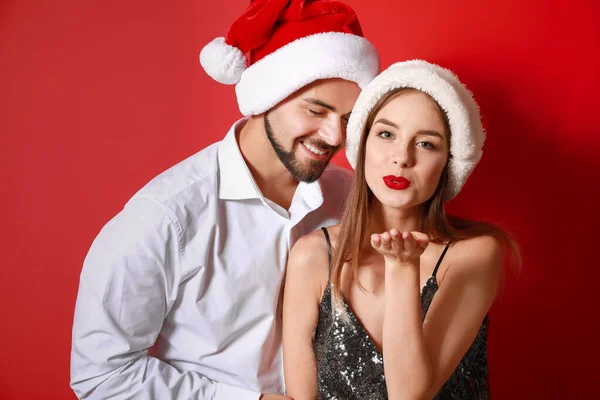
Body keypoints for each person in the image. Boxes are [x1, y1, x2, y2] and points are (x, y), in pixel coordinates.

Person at [69, 0, 379, 399]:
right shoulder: (165, 217)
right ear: (268, 94)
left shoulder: (352, 197)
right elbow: (101, 375)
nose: (335, 137)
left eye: (349, 119)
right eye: (316, 110)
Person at [282, 60, 520, 399]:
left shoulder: (475, 255)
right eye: (386, 134)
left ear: (449, 163)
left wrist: (402, 268)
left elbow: (409, 395)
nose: (401, 157)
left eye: (426, 143)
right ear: (362, 144)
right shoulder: (312, 256)